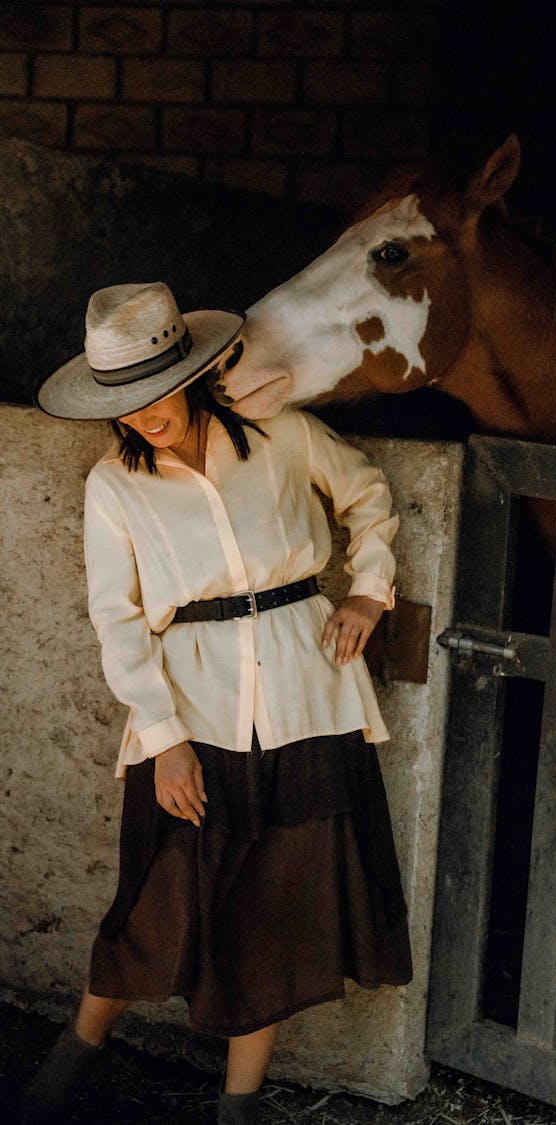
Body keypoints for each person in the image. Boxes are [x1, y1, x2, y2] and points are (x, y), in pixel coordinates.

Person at [24, 282, 412, 1124]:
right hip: (191, 716)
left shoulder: (282, 434)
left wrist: (369, 593)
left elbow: (369, 496)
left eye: (154, 393)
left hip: (309, 700)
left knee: (275, 911)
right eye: (121, 403)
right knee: (155, 905)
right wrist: (162, 738)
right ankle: (62, 1071)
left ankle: (236, 1109)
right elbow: (117, 619)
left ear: (195, 373)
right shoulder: (113, 485)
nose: (141, 415)